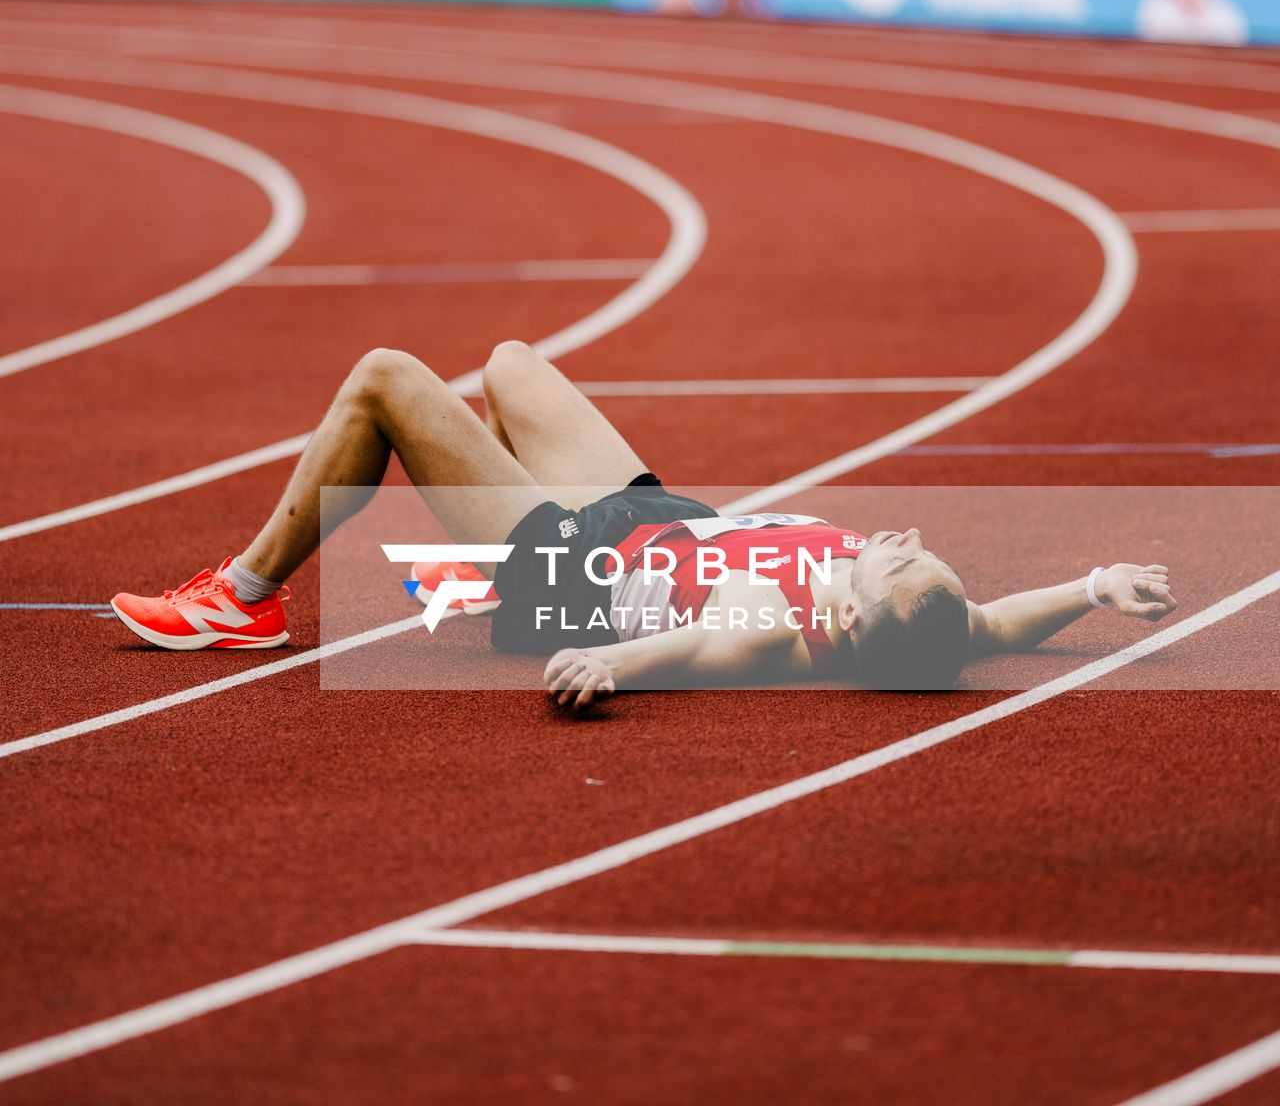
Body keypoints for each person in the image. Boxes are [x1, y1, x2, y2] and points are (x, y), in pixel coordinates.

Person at [111, 341, 1178, 701]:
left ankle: (241, 598)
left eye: (885, 562)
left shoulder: (778, 623)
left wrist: (606, 666)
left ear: (848, 621)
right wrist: (1091, 587)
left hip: (572, 571)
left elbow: (699, 643)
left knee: (388, 379)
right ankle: (472, 518)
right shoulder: (916, 615)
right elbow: (991, 625)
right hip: (657, 521)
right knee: (515, 367)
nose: (896, 540)